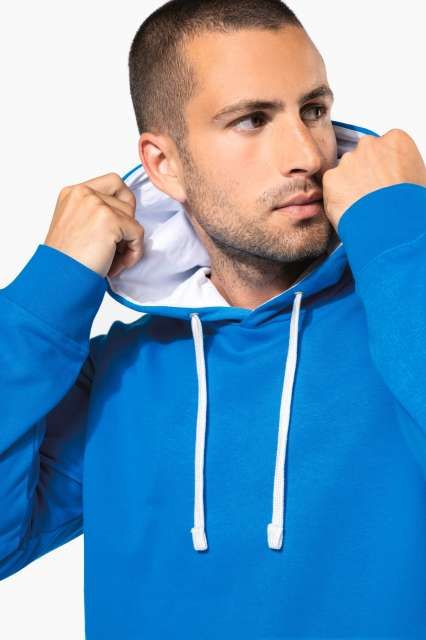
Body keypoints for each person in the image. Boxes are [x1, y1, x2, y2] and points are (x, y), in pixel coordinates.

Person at [1, 0, 425, 637]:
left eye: (314, 110)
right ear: (164, 164)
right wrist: (46, 294)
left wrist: (399, 235)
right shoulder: (121, 375)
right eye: (252, 120)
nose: (307, 154)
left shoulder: (404, 302)